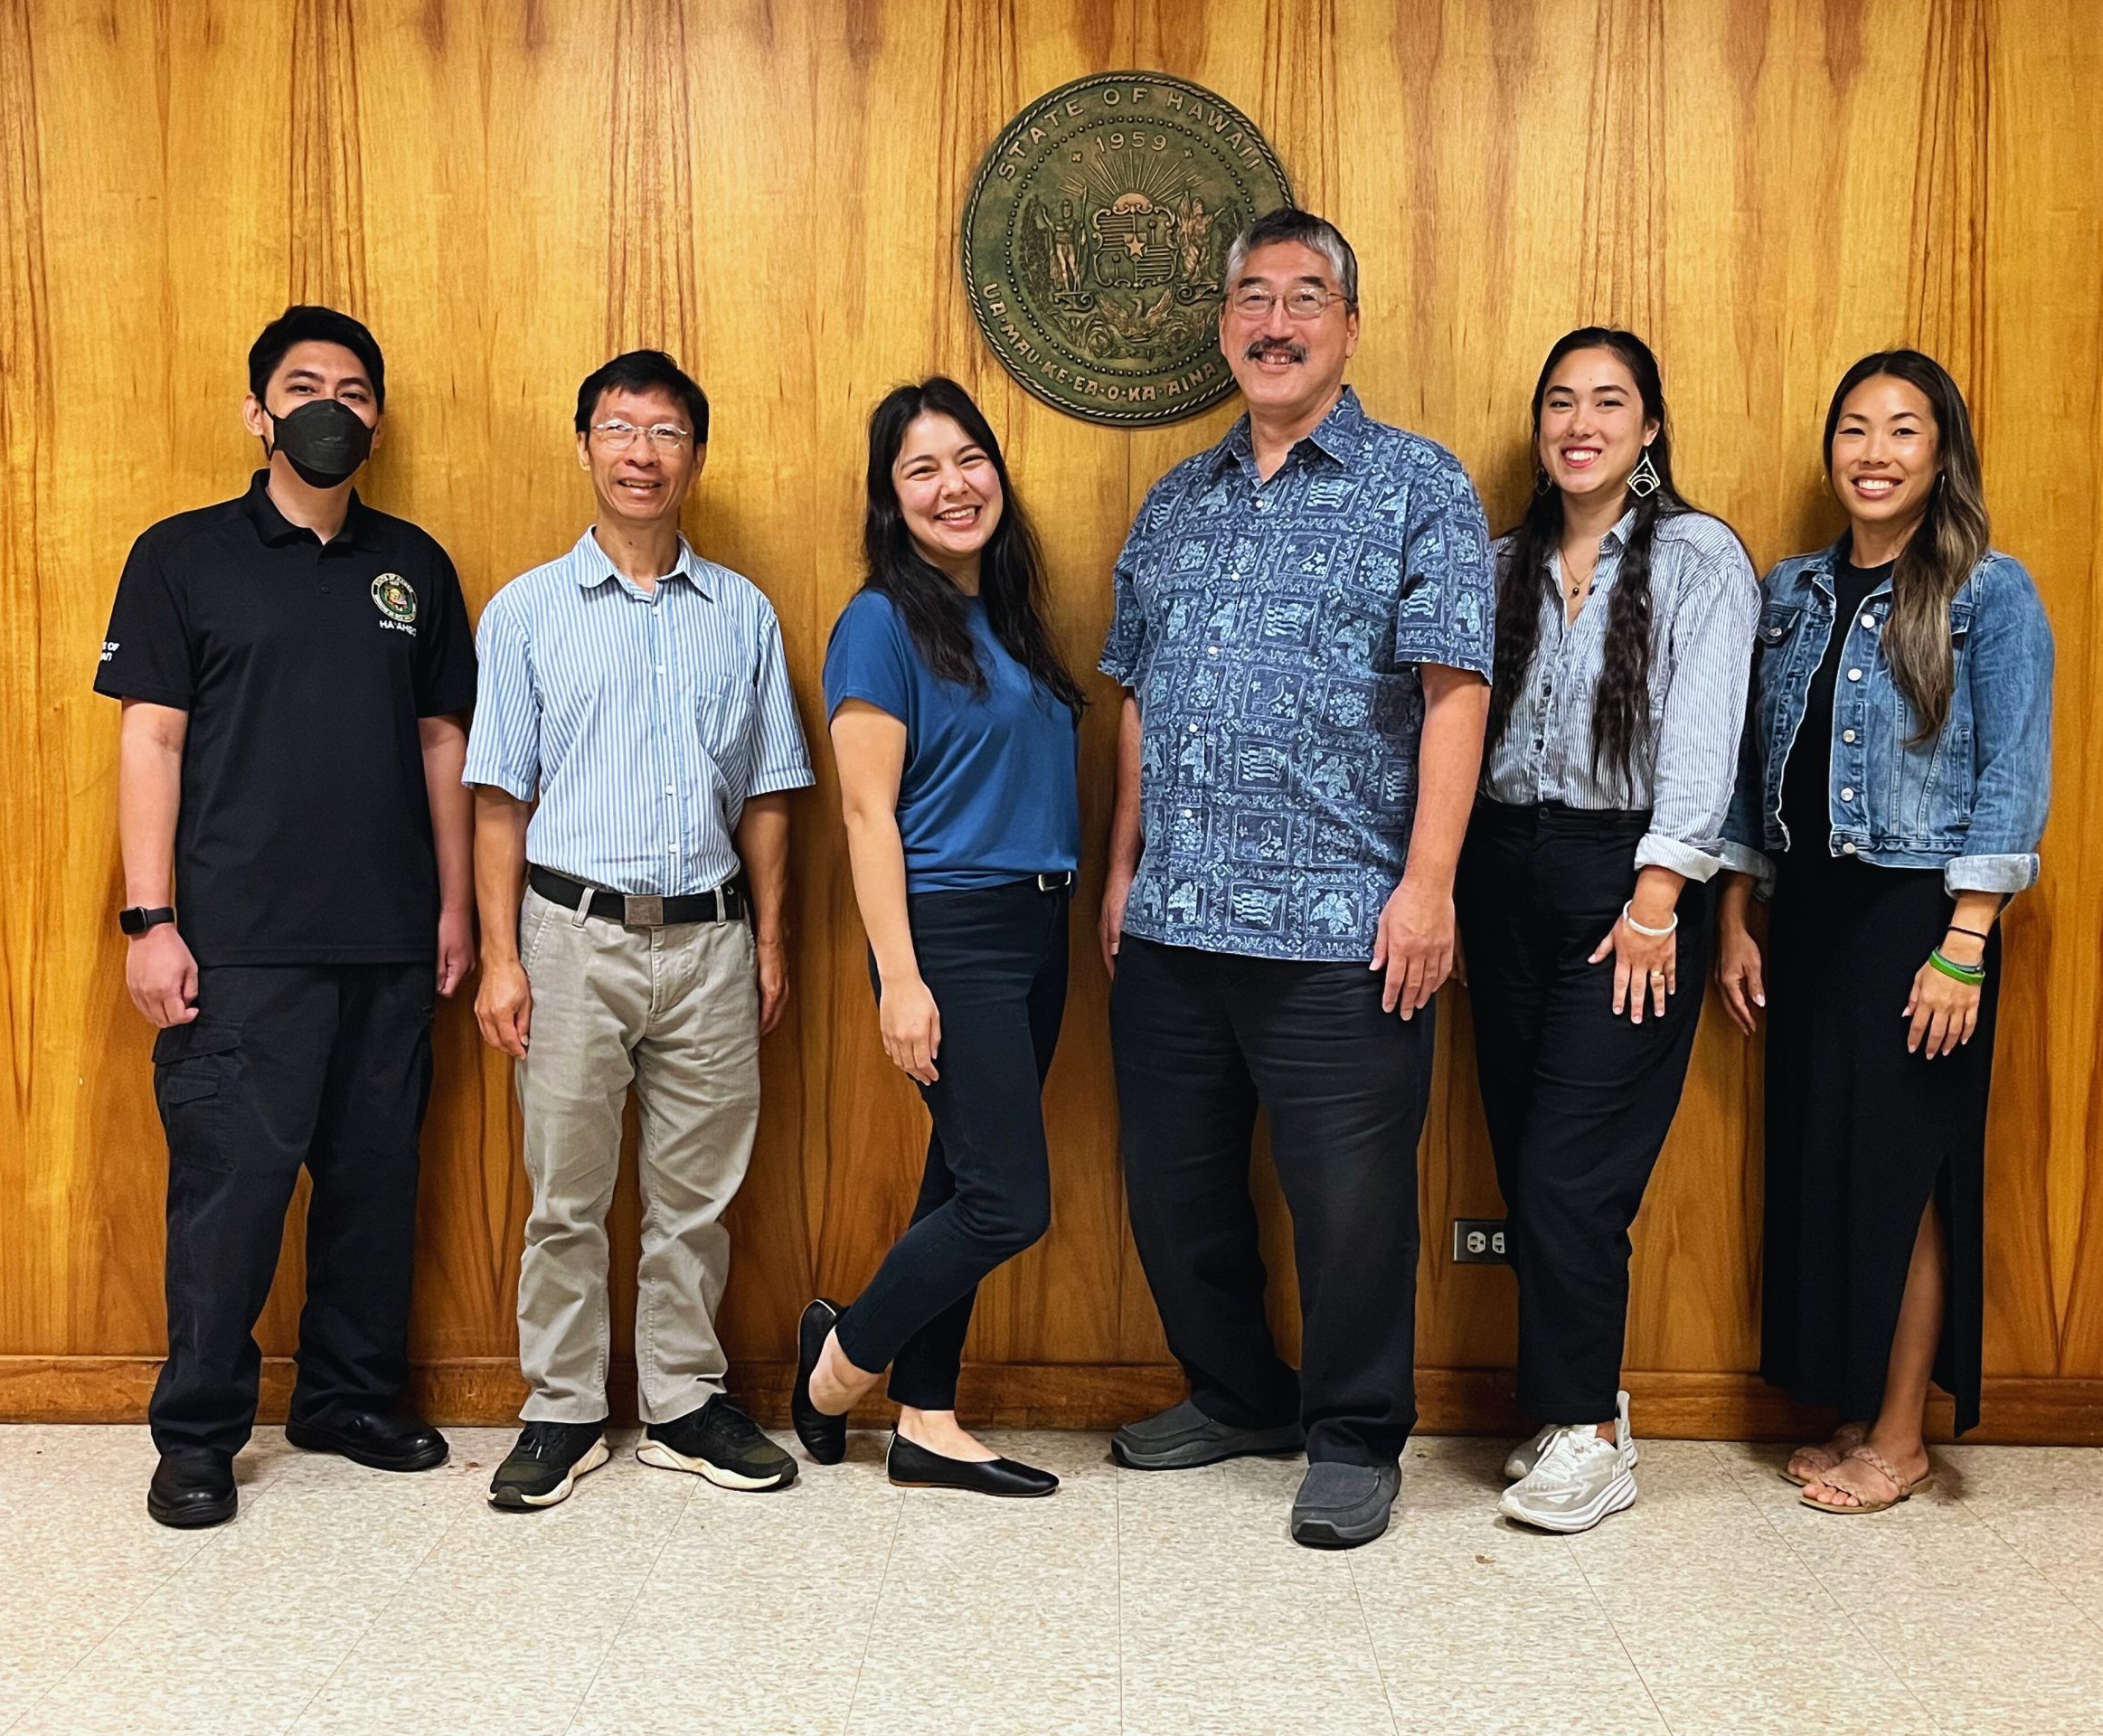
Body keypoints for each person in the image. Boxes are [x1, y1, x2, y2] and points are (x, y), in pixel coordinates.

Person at [1098, 208, 1495, 1550]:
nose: (1275, 322)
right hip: (1175, 920)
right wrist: (1123, 868)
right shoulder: (1175, 499)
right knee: (1175, 1192)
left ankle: (1354, 1433)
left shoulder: (1418, 485)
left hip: (1345, 923)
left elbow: (1455, 691)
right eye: (1253, 299)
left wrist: (1428, 885)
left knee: (1353, 1210)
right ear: (1224, 327)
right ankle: (1239, 1395)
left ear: (1349, 326)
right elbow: (1138, 694)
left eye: (1306, 297)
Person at [98, 305, 476, 1529]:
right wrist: (149, 916)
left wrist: (457, 908)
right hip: (237, 945)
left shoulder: (413, 566)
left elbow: (440, 742)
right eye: (305, 385)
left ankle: (348, 1399)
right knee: (230, 1195)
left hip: (388, 938)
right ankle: (198, 1434)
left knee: (373, 1188)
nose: (332, 405)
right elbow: (150, 734)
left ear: (377, 418)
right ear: (258, 412)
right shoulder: (181, 556)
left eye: (356, 390)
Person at [464, 350, 815, 1510]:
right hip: (568, 938)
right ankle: (560, 1409)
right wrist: (502, 958)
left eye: (666, 433)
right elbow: (499, 800)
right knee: (564, 1196)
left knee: (695, 1197)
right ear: (584, 446)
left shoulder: (743, 614)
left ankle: (680, 1403)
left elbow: (768, 794)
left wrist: (770, 942)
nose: (641, 453)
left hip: (710, 940)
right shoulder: (524, 613)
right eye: (619, 429)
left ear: (694, 458)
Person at [1717, 350, 2054, 1514]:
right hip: (1806, 913)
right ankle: (1856, 1410)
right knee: (1833, 1173)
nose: (1874, 453)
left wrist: (1965, 941)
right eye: (1854, 429)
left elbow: (2010, 775)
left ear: (1940, 452)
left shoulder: (1987, 592)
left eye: (1903, 431)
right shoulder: (1793, 589)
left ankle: (1903, 1437)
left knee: (1905, 1178)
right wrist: (1736, 913)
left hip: (1917, 915)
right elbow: (1755, 768)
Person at [1459, 328, 1759, 1534]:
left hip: (1629, 880)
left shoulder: (1698, 558)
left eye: (1608, 402)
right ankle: (1575, 1406)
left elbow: (1706, 736)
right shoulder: (1497, 562)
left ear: (1649, 427)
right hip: (1501, 872)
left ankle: (1587, 1434)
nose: (1580, 423)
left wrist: (1656, 901)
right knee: (1525, 1150)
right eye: (1560, 403)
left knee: (1573, 1173)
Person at [791, 377, 1084, 1498]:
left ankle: (928, 1418)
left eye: (968, 459)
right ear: (889, 499)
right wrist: (900, 978)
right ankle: (833, 1370)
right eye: (921, 470)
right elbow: (866, 814)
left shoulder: (1007, 614)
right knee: (1008, 1200)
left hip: (1035, 922)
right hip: (950, 931)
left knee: (960, 1180)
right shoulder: (878, 622)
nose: (953, 486)